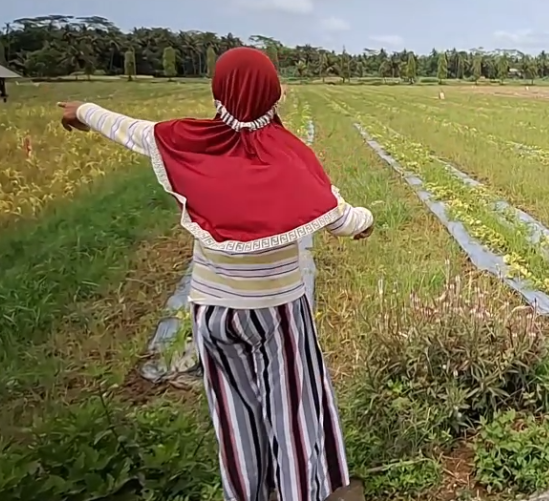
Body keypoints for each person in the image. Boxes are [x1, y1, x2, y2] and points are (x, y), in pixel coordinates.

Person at [59, 46, 373, 501]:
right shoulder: (289, 155)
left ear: (217, 91)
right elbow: (342, 217)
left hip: (211, 314)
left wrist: (82, 110)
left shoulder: (186, 140)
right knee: (293, 423)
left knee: (233, 421)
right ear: (273, 94)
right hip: (276, 314)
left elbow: (129, 129)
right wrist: (365, 221)